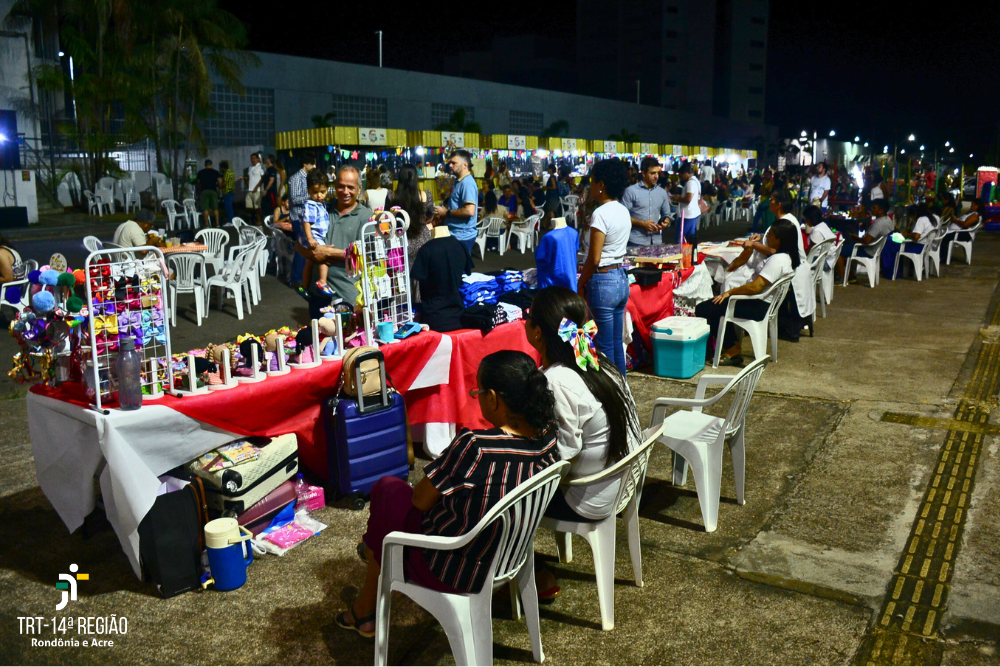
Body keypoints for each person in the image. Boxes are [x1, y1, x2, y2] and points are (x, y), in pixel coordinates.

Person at [335, 350, 559, 637]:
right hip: (506, 553)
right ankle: (368, 578)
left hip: (453, 566)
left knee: (387, 490)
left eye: (478, 393)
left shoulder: (477, 447)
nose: (477, 398)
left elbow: (420, 500)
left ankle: (368, 582)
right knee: (389, 508)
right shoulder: (548, 436)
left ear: (493, 398)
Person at [523, 286, 641, 594]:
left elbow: (563, 455)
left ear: (537, 332)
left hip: (589, 498)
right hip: (621, 482)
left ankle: (529, 572)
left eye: (528, 317)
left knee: (502, 495)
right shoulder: (596, 360)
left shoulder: (555, 381)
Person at [695, 220, 799, 366]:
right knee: (715, 305)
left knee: (703, 309)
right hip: (755, 301)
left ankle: (732, 348)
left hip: (756, 306)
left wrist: (730, 292)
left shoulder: (778, 260)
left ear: (780, 239)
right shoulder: (784, 256)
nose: (766, 237)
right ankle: (730, 344)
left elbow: (755, 287)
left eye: (770, 234)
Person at [577, 158, 631, 374]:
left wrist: (581, 282)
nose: (590, 186)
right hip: (620, 278)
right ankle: (622, 388)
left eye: (592, 181)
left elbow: (595, 258)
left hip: (603, 281)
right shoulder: (623, 210)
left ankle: (611, 390)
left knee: (604, 349)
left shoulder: (600, 214)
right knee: (616, 345)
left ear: (601, 184)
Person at [296, 166, 373, 314]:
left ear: (359, 189)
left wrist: (328, 253)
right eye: (341, 186)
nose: (345, 191)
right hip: (317, 293)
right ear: (335, 187)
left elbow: (368, 256)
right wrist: (313, 254)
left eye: (350, 187)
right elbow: (298, 245)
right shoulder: (321, 208)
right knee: (317, 328)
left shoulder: (366, 217)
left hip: (346, 295)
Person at [836, 199, 894, 281]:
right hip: (877, 249)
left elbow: (867, 241)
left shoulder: (878, 224)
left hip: (867, 250)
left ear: (881, 211)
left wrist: (856, 237)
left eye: (874, 208)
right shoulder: (888, 220)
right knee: (847, 249)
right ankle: (850, 276)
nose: (872, 209)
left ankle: (841, 278)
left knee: (838, 251)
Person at [433, 150, 479, 253]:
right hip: (456, 234)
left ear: (465, 165)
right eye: (450, 162)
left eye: (454, 163)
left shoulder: (467, 183)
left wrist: (446, 213)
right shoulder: (459, 181)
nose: (450, 165)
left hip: (462, 236)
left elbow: (469, 211)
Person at [623, 156, 672, 246]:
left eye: (657, 173)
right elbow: (623, 216)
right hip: (636, 241)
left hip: (656, 240)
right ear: (643, 173)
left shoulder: (662, 192)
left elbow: (667, 214)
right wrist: (641, 223)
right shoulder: (631, 191)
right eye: (652, 173)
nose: (656, 176)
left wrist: (666, 222)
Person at [395, 164, 435, 270]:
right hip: (423, 239)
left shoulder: (392, 196)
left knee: (404, 274)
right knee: (424, 272)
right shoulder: (425, 195)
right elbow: (431, 216)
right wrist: (423, 221)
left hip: (401, 240)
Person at [298, 170, 332, 294]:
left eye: (322, 192)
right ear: (308, 190)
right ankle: (322, 281)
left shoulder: (320, 204)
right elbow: (306, 222)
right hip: (314, 237)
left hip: (314, 236)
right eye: (315, 192)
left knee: (309, 263)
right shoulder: (311, 205)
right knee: (323, 258)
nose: (319, 195)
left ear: (327, 190)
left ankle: (304, 287)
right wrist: (310, 238)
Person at [671, 162, 701, 247]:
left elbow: (688, 199)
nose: (681, 178)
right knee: (690, 237)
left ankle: (682, 252)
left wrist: (678, 198)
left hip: (688, 214)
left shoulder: (690, 183)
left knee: (679, 237)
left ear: (685, 174)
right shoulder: (696, 181)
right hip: (693, 212)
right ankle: (691, 252)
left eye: (681, 176)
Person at [287, 152, 317, 229]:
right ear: (305, 164)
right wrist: (312, 197)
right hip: (298, 218)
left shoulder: (308, 177)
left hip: (308, 217)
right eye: (312, 164)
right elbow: (295, 199)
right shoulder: (296, 178)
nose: (315, 166)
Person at [196, 159, 221, 227]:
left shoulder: (201, 172)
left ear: (205, 165)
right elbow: (220, 181)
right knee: (215, 208)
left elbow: (198, 182)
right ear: (211, 165)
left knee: (205, 208)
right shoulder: (215, 172)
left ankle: (206, 223)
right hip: (213, 190)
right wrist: (219, 189)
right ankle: (217, 223)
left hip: (204, 191)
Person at [245, 153, 264, 224]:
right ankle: (253, 219)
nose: (253, 160)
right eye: (252, 159)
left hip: (257, 190)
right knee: (249, 206)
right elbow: (247, 177)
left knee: (257, 207)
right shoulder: (250, 167)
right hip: (250, 189)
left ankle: (259, 220)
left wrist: (257, 186)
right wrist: (247, 185)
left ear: (258, 159)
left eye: (254, 158)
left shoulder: (260, 167)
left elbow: (262, 178)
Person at [261, 155, 279, 221]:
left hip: (271, 191)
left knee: (272, 205)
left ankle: (273, 220)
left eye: (267, 158)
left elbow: (271, 180)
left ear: (269, 160)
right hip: (268, 192)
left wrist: (266, 189)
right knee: (266, 206)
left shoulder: (272, 169)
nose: (265, 160)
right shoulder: (268, 169)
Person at [219, 160, 236, 225]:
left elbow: (225, 182)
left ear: (223, 168)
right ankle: (231, 221)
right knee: (230, 207)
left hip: (227, 192)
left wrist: (220, 183)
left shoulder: (226, 173)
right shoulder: (232, 172)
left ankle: (230, 222)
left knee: (228, 208)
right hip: (231, 191)